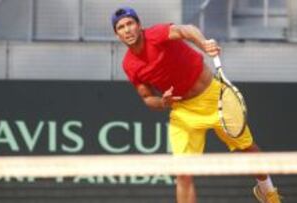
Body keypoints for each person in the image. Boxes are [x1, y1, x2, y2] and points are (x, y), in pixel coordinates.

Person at [111, 6, 281, 203]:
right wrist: (163, 102)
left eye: (130, 23)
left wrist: (203, 43)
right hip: (184, 112)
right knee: (183, 173)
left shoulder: (156, 34)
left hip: (214, 97)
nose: (127, 30)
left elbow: (186, 29)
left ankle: (268, 193)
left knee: (248, 148)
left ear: (139, 26)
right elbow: (147, 98)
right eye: (121, 27)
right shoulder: (129, 65)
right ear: (117, 35)